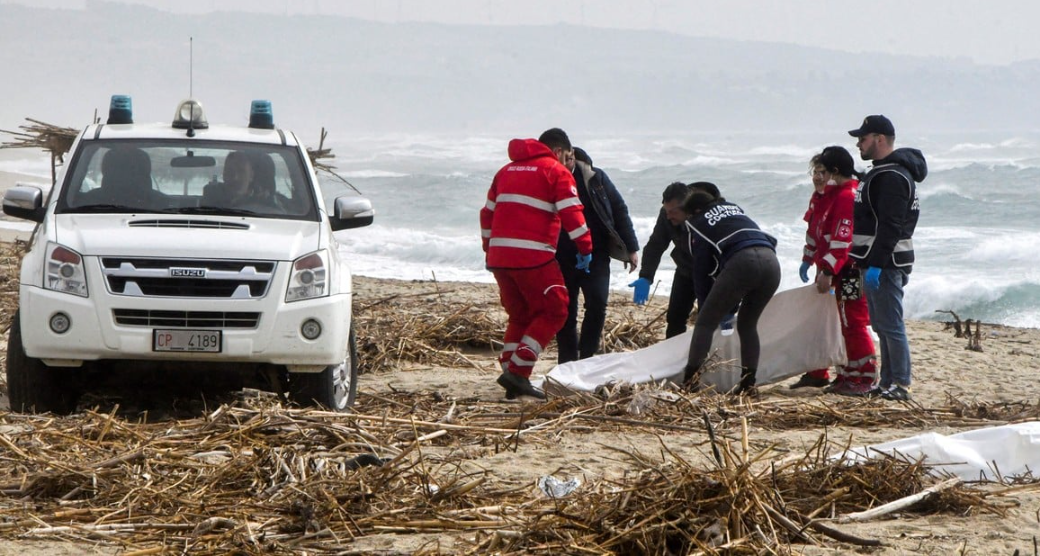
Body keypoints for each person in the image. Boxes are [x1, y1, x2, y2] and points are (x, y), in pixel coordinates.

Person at [480, 128, 593, 400]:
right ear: (558, 151)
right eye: (568, 157)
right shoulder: (555, 171)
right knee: (556, 309)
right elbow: (572, 213)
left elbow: (486, 215)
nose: (569, 163)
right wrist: (585, 247)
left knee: (520, 315)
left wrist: (489, 248)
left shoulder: (506, 171)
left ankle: (510, 369)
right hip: (533, 256)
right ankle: (519, 372)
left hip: (499, 256)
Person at [848, 115, 927, 401]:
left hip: (886, 263)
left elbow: (891, 225)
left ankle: (901, 384)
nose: (859, 143)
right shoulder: (881, 173)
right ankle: (886, 382)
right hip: (875, 261)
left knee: (891, 325)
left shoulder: (892, 176)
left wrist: (877, 265)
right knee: (880, 325)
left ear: (880, 139)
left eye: (863, 138)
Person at [790, 146, 879, 395]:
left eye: (824, 171)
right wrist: (810, 259)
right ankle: (847, 374)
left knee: (853, 321)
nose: (820, 176)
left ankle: (864, 376)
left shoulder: (846, 197)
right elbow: (818, 231)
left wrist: (828, 270)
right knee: (841, 321)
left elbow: (843, 239)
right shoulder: (830, 195)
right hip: (835, 269)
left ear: (835, 171)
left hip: (848, 270)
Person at [681, 187, 781, 395]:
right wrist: (729, 305)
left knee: (705, 323)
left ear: (695, 211)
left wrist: (704, 305)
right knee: (748, 324)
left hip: (743, 262)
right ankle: (748, 385)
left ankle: (690, 383)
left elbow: (702, 271)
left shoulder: (697, 223)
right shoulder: (733, 209)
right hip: (771, 262)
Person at [554, 146, 640, 363]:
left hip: (597, 252)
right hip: (561, 254)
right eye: (566, 159)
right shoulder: (550, 179)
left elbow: (619, 209)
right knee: (566, 310)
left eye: (572, 158)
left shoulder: (596, 178)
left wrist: (631, 247)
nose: (569, 163)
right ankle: (566, 361)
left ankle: (587, 358)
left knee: (598, 303)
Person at [630, 181, 722, 338]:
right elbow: (655, 245)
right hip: (686, 269)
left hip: (712, 274)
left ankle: (705, 357)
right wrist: (646, 276)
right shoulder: (667, 215)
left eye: (672, 212)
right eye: (666, 210)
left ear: (689, 209)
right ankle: (673, 358)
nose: (668, 216)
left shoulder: (710, 214)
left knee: (708, 319)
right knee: (675, 318)